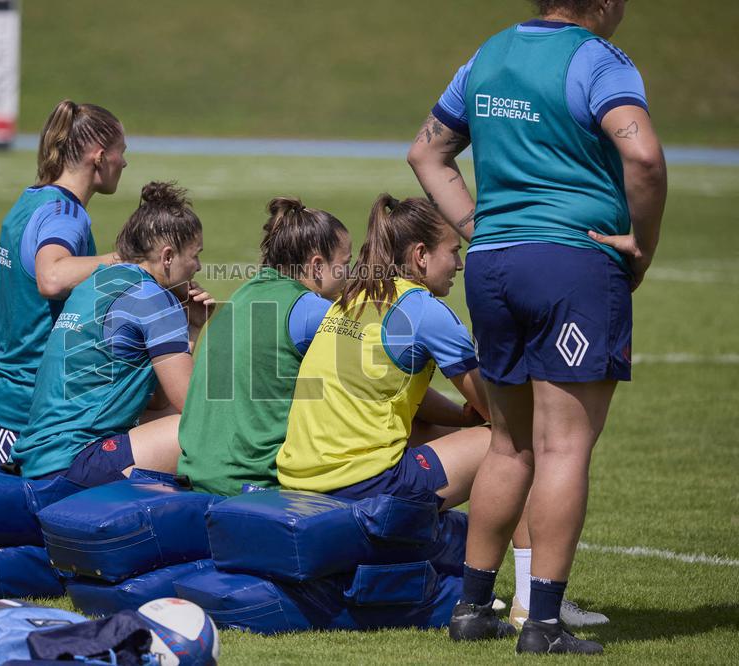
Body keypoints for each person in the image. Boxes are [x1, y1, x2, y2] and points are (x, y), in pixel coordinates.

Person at [407, 0, 666, 655]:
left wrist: (476, 227)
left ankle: (472, 609)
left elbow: (426, 152)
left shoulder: (488, 53)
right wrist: (641, 242)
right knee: (563, 449)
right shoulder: (599, 61)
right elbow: (644, 157)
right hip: (571, 267)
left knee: (509, 444)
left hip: (492, 266)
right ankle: (543, 623)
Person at [277, 195, 492, 511]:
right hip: (359, 485)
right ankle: (496, 562)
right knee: (511, 444)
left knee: (435, 428)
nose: (459, 265)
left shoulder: (353, 296)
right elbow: (494, 413)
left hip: (297, 478)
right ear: (421, 254)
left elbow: (388, 389)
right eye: (454, 252)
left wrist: (461, 416)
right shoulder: (425, 310)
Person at [10, 182, 211, 486]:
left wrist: (192, 326)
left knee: (170, 421)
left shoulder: (95, 282)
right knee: (204, 430)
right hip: (74, 461)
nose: (198, 266)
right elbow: (193, 407)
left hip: (38, 456)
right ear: (167, 257)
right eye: (195, 255)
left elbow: (157, 404)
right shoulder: (153, 298)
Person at [0, 100, 128, 464]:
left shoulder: (31, 201)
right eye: (121, 153)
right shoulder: (66, 215)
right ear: (98, 156)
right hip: (26, 413)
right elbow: (51, 277)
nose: (124, 163)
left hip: (43, 405)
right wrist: (126, 260)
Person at [177, 197, 351, 496]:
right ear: (318, 265)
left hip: (197, 475)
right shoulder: (311, 310)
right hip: (251, 485)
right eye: (345, 265)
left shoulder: (242, 295)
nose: (349, 276)